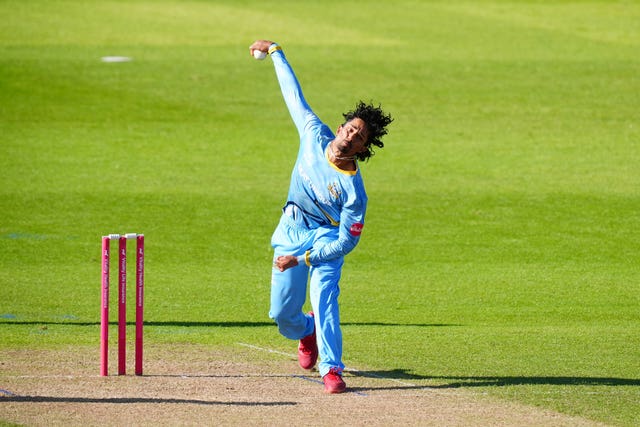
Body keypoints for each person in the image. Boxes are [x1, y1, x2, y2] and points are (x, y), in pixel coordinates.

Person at [249, 39, 392, 394]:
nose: (350, 136)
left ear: (363, 148)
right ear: (342, 127)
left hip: (326, 239)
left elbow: (347, 242)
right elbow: (293, 96)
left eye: (358, 137)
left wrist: (303, 258)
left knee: (324, 294)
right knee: (283, 316)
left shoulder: (354, 192)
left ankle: (331, 369)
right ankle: (305, 331)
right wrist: (275, 52)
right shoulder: (314, 133)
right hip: (292, 227)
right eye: (350, 128)